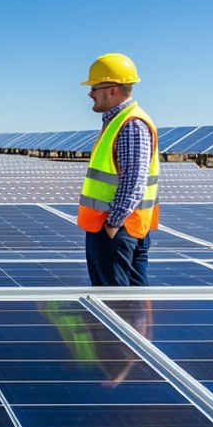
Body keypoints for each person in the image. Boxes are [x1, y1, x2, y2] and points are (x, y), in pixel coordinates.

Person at [77, 53, 160, 286]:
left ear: (112, 90)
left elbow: (134, 182)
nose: (90, 93)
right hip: (124, 228)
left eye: (95, 87)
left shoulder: (131, 124)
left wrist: (113, 224)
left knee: (116, 304)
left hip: (117, 230)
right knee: (131, 305)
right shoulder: (120, 121)